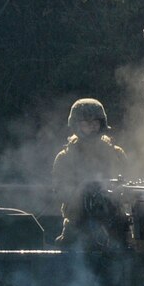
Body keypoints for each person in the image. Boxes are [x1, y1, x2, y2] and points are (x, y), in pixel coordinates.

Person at [51, 98, 128, 248]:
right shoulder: (65, 158)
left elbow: (126, 189)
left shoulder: (116, 154)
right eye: (86, 123)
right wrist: (84, 191)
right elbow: (61, 195)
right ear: (76, 125)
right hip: (78, 224)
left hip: (112, 224)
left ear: (101, 124)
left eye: (95, 123)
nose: (91, 127)